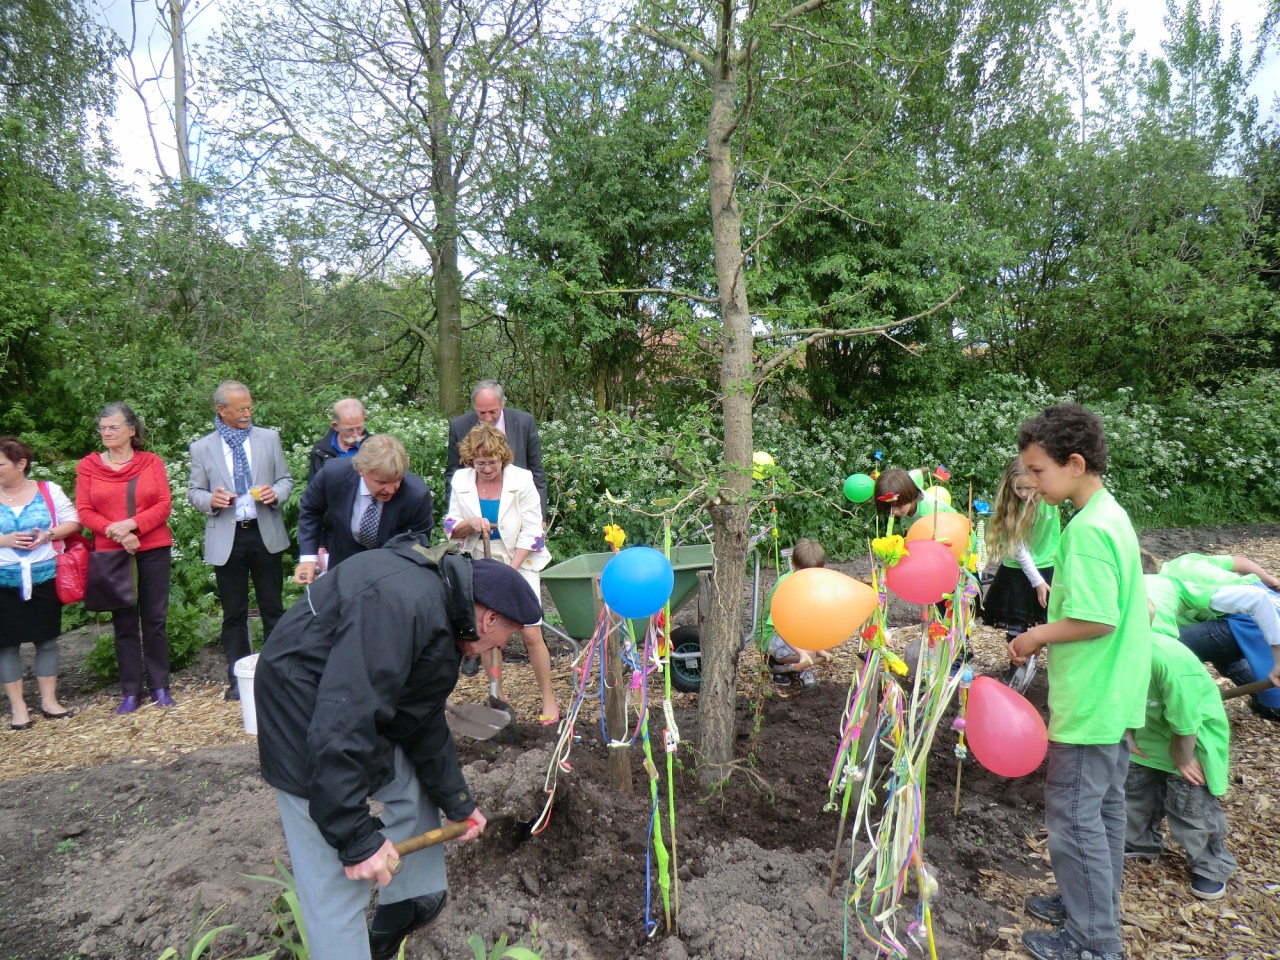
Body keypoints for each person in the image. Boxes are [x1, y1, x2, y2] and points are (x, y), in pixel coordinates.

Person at [255, 538, 542, 960]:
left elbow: (421, 719)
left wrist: (458, 802)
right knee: (335, 878)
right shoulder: (400, 607)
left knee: (409, 785)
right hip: (300, 709)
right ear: (489, 619)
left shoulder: (444, 614)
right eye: (506, 636)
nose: (500, 646)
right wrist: (357, 841)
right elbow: (342, 727)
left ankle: (407, 901)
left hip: (343, 705)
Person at [1010, 403, 1150, 960]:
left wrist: (1036, 635)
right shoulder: (1109, 514)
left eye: (1038, 471)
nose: (1031, 482)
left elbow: (1098, 619)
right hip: (1116, 691)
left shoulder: (1088, 531)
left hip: (1091, 698)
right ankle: (1090, 903)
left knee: (1073, 816)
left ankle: (1093, 940)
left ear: (1074, 463)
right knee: (1105, 808)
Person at [1126, 580, 1237, 900]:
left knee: (1190, 802)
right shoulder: (1116, 656)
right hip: (1150, 730)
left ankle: (1209, 865)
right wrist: (1128, 735)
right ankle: (1139, 840)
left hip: (1192, 738)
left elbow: (1187, 723)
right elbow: (1121, 697)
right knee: (1135, 788)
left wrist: (1183, 757)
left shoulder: (1165, 660)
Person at [188, 381, 294, 701]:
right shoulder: (202, 447)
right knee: (233, 613)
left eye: (250, 407)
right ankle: (238, 679)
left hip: (265, 532)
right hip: (227, 536)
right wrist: (211, 500)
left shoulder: (269, 438)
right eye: (241, 409)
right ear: (221, 410)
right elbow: (194, 492)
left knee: (272, 607)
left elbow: (286, 479)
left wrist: (277, 493)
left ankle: (274, 674)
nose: (248, 413)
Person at [445, 423, 558, 724]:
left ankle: (549, 698)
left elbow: (533, 531)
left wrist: (508, 572)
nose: (486, 469)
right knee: (486, 631)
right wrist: (470, 523)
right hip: (479, 560)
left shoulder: (521, 479)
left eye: (492, 463)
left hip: (519, 558)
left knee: (531, 631)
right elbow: (451, 527)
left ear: (503, 458)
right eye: (480, 463)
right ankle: (499, 698)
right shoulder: (461, 480)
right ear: (471, 459)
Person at [75, 403, 177, 714]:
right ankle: (131, 691)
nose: (106, 433)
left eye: (113, 427)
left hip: (153, 548)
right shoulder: (89, 466)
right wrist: (118, 532)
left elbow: (164, 504)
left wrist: (132, 524)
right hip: (112, 552)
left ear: (132, 430)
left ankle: (160, 685)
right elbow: (84, 511)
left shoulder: (151, 462)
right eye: (102, 428)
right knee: (124, 622)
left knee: (155, 619)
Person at [0, 437, 82, 729]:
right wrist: (5, 540)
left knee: (47, 640)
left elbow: (73, 521)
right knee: (6, 645)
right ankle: (18, 708)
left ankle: (49, 701)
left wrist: (48, 535)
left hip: (44, 577)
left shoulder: (48, 490)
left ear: (21, 464)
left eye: (0, 464)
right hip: (3, 582)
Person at [1148, 552, 1280, 718]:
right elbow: (1242, 562)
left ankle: (1170, 707)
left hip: (1249, 616)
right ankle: (1270, 702)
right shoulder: (1188, 560)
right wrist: (1270, 580)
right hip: (1268, 599)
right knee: (1224, 657)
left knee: (1167, 648)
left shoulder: (1164, 587)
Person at [294, 434, 434, 584]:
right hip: (342, 565)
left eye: (397, 480)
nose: (391, 490)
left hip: (391, 573)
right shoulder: (333, 474)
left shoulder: (416, 495)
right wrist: (308, 558)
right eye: (381, 482)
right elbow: (311, 509)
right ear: (360, 470)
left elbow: (416, 544)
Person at [979, 456, 1060, 691]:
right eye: (1019, 488)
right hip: (1019, 571)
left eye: (1028, 488)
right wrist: (1037, 581)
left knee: (1051, 621)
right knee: (1018, 623)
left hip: (1048, 565)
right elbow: (1018, 549)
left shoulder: (1051, 499)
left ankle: (1054, 669)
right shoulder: (1011, 507)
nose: (1024, 494)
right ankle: (1017, 667)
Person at [445, 380, 547, 519]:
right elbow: (453, 474)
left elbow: (537, 472)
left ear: (502, 404)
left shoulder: (524, 423)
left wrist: (541, 517)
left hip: (519, 507)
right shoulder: (459, 426)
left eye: (493, 412)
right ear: (474, 407)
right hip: (474, 510)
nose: (488, 418)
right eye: (481, 413)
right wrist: (453, 519)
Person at [764, 538, 833, 689]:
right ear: (794, 566)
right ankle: (774, 662)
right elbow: (779, 625)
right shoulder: (786, 585)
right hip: (773, 633)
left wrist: (820, 649)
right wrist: (802, 653)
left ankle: (803, 665)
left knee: (815, 641)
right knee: (808, 650)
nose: (810, 576)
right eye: (805, 572)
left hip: (793, 630)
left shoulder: (812, 584)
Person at [307, 398, 368, 483]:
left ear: (364, 419)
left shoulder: (377, 447)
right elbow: (314, 487)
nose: (356, 435)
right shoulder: (320, 451)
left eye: (359, 428)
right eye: (350, 430)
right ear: (335, 426)